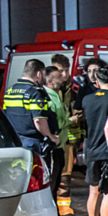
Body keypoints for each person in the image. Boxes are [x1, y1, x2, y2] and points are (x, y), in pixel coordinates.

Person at [83, 64, 108, 216]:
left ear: (96, 80)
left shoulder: (87, 100)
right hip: (107, 151)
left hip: (91, 149)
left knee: (93, 191)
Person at [3, 59, 60, 159]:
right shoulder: (35, 93)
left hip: (15, 142)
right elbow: (39, 120)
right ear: (38, 74)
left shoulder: (10, 91)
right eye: (43, 75)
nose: (44, 79)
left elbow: (5, 115)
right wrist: (51, 137)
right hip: (32, 143)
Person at [51, 54, 77, 216]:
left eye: (66, 71)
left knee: (66, 177)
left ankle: (65, 210)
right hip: (55, 139)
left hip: (68, 140)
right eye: (60, 71)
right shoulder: (51, 91)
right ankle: (56, 211)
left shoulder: (72, 90)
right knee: (55, 177)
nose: (64, 75)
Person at [43, 66, 71, 202]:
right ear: (49, 80)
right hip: (53, 146)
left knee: (56, 181)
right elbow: (56, 123)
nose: (63, 79)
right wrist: (71, 120)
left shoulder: (56, 95)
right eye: (59, 77)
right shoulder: (48, 96)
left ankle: (54, 208)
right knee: (52, 182)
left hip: (60, 145)